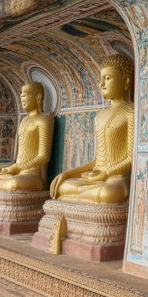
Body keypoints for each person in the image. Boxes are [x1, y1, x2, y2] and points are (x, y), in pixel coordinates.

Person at [51, 54, 134, 204]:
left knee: (107, 193)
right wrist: (68, 174)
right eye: (101, 79)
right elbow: (97, 160)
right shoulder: (100, 115)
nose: (102, 84)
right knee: (63, 186)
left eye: (108, 78)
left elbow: (131, 158)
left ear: (126, 81)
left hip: (116, 179)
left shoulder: (131, 111)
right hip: (96, 177)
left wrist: (106, 174)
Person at [0, 83, 55, 191]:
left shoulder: (44, 119)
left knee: (15, 183)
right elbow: (17, 157)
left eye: (25, 95)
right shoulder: (23, 120)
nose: (22, 98)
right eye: (21, 95)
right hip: (17, 172)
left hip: (34, 176)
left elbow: (44, 157)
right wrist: (10, 169)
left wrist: (17, 167)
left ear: (38, 97)